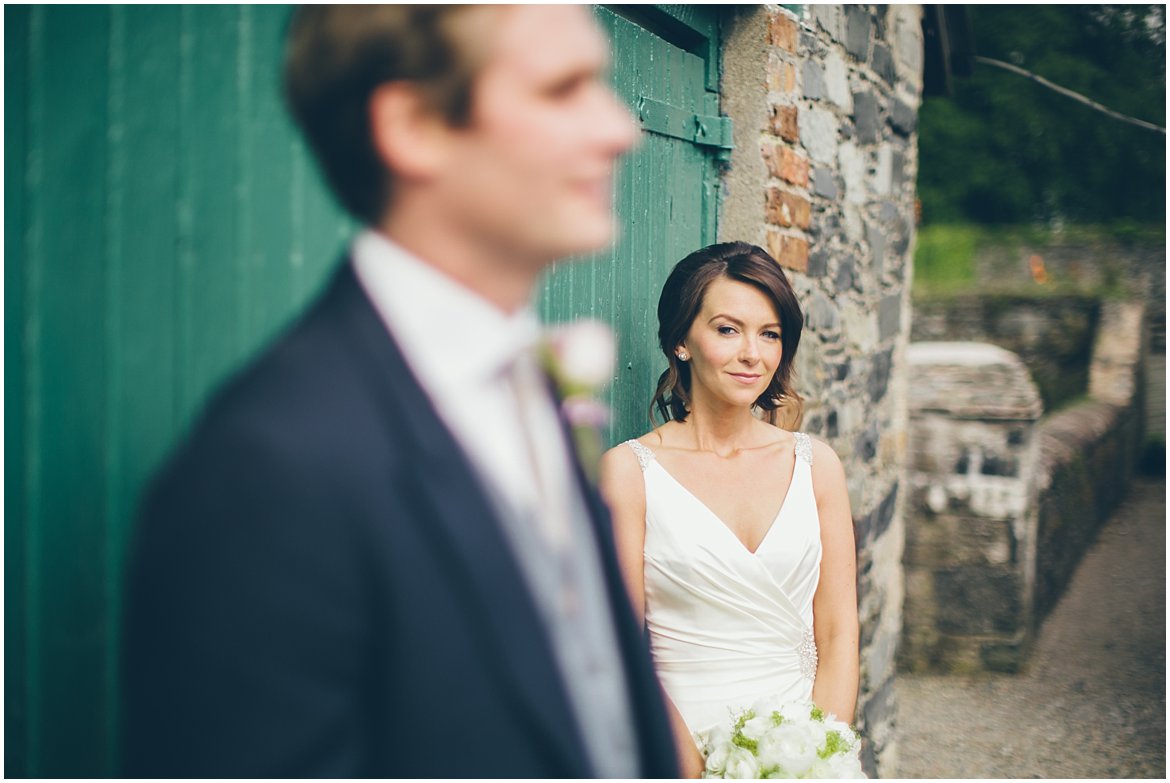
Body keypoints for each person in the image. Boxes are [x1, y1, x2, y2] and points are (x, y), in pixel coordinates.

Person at [121, 5, 678, 777]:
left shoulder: (532, 389)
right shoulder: (267, 465)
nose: (619, 130)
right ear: (413, 126)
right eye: (562, 89)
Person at [598, 241, 861, 777]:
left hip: (801, 747)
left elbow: (837, 634)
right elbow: (621, 645)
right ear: (681, 342)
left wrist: (817, 760)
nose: (753, 354)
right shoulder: (627, 474)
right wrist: (690, 770)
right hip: (675, 746)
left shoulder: (816, 466)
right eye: (727, 329)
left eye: (770, 334)